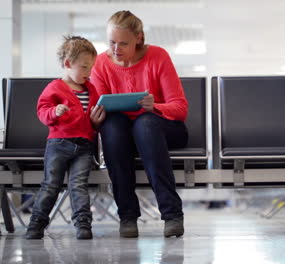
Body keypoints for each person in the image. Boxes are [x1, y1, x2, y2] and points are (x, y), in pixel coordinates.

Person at [90, 10, 188, 238]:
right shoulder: (101, 64)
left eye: (123, 43)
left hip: (162, 129)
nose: (116, 49)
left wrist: (155, 107)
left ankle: (172, 215)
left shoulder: (158, 56)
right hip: (124, 136)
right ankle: (127, 216)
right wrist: (96, 121)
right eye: (112, 42)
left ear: (139, 38)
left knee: (145, 124)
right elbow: (101, 109)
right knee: (112, 125)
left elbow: (180, 109)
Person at [25, 36, 106, 240]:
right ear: (68, 64)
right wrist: (54, 112)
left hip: (85, 146)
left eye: (91, 68)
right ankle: (36, 225)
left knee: (79, 185)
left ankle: (83, 225)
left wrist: (97, 122)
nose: (88, 73)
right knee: (51, 184)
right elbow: (42, 111)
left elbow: (94, 118)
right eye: (84, 67)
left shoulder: (92, 89)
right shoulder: (55, 88)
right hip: (58, 144)